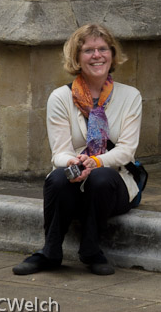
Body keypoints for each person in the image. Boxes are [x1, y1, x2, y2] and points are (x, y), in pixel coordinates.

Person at [12, 24, 143, 276]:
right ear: (76, 57)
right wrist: (75, 161)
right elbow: (58, 153)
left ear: (112, 55)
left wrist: (94, 161)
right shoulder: (60, 98)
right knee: (59, 178)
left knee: (101, 176)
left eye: (103, 49)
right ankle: (50, 252)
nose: (97, 55)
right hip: (74, 180)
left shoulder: (130, 96)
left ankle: (91, 250)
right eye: (88, 50)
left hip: (112, 184)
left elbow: (126, 151)